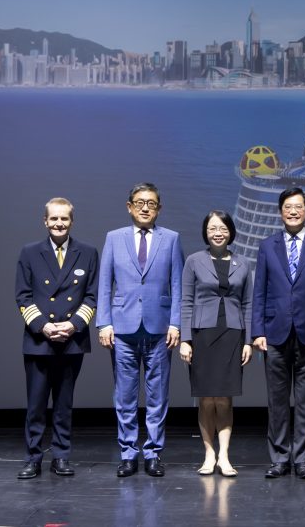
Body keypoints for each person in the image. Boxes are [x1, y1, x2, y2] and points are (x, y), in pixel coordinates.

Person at [96, 183, 184, 478]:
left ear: (159, 208)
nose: (145, 207)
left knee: (158, 395)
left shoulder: (171, 239)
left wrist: (175, 323)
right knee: (125, 395)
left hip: (159, 329)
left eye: (152, 203)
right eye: (140, 202)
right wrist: (104, 322)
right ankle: (128, 453)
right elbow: (105, 282)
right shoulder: (114, 238)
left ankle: (153, 453)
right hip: (122, 328)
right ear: (129, 206)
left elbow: (177, 284)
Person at [251, 187, 305, 480]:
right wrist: (257, 330)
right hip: (273, 333)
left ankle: (303, 459)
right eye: (288, 206)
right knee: (276, 401)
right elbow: (259, 290)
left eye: (298, 206)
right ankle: (279, 458)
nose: (293, 211)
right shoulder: (266, 245)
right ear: (280, 211)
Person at [14, 197, 99, 479]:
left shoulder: (87, 253)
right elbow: (23, 296)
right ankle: (33, 457)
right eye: (54, 219)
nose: (59, 224)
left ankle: (61, 456)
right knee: (36, 405)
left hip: (71, 340)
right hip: (39, 340)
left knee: (64, 404)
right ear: (45, 221)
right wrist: (43, 326)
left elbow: (92, 295)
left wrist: (73, 325)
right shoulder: (30, 252)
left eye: (64, 219)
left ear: (71, 221)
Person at [178, 210, 253, 477]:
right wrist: (185, 339)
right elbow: (186, 301)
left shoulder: (243, 263)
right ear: (205, 232)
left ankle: (224, 456)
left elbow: (248, 303)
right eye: (212, 228)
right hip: (202, 334)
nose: (217, 232)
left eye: (222, 228)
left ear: (231, 231)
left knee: (224, 398)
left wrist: (248, 341)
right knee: (206, 399)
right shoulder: (194, 261)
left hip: (233, 334)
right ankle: (208, 455)